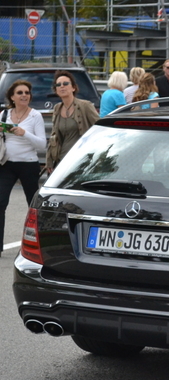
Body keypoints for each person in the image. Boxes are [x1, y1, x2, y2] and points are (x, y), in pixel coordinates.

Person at [0, 80, 46, 257]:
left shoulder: (35, 116)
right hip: (6, 164)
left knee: (33, 205)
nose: (24, 95)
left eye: (27, 92)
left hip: (28, 164)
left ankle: (39, 244)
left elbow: (42, 144)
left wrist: (24, 133)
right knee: (0, 203)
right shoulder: (4, 114)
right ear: (12, 97)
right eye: (20, 93)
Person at [46, 70, 100, 173]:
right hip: (62, 160)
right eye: (58, 84)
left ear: (73, 87)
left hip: (81, 161)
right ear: (56, 90)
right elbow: (54, 135)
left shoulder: (85, 106)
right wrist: (49, 159)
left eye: (66, 83)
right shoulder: (57, 108)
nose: (62, 86)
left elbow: (100, 128)